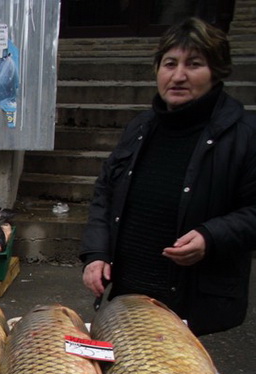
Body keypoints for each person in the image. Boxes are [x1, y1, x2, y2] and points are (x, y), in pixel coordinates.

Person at [80, 17, 256, 335]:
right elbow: (105, 192)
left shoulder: (245, 135)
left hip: (195, 306)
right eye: (169, 63)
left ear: (216, 72)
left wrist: (210, 236)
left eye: (194, 64)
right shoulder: (140, 128)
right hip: (130, 298)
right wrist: (97, 253)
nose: (178, 76)